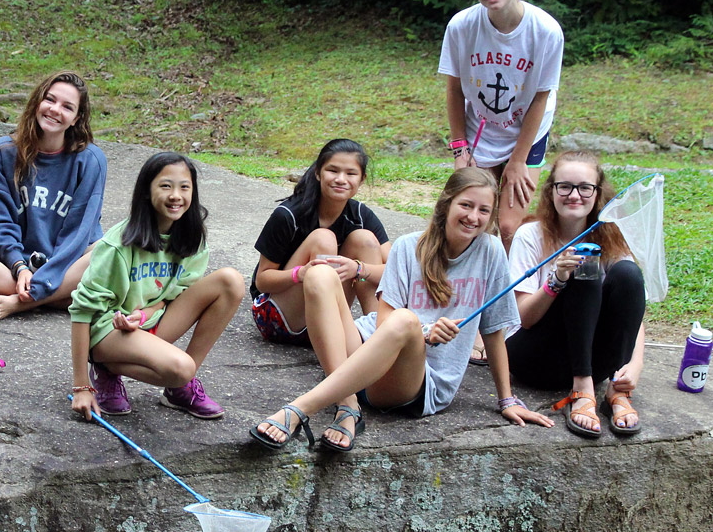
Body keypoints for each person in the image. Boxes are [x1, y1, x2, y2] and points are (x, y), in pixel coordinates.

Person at [249, 168, 553, 453]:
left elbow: (494, 330)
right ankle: (348, 406)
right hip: (369, 348)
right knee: (318, 274)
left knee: (406, 320)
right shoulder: (409, 247)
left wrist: (506, 399)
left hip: (415, 380)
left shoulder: (491, 251)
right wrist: (426, 331)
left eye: (483, 210)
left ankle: (300, 409)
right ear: (447, 203)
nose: (474, 217)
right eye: (466, 205)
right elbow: (382, 322)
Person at [70, 152, 244, 420]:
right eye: (165, 186)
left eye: (184, 187)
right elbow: (82, 312)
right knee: (181, 366)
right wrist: (82, 386)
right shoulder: (118, 245)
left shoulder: (191, 240)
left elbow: (171, 299)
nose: (176, 195)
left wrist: (142, 316)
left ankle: (180, 388)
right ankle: (104, 368)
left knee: (230, 281)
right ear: (146, 192)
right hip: (107, 330)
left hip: (147, 321)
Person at [0, 71, 107, 321]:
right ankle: (61, 298)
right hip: (13, 263)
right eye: (50, 100)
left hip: (69, 262)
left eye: (67, 107)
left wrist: (46, 277)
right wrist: (19, 267)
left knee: (113, 249)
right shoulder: (4, 151)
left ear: (76, 119)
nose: (55, 110)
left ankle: (24, 301)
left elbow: (78, 233)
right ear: (37, 102)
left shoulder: (91, 160)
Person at [506, 152, 646, 438]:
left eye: (585, 187)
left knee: (629, 275)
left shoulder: (608, 235)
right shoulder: (529, 235)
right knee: (585, 273)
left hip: (592, 356)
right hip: (537, 356)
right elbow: (522, 318)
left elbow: (632, 310)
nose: (574, 195)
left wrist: (635, 364)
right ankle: (582, 391)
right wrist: (557, 280)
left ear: (597, 193)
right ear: (551, 191)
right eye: (565, 186)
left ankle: (616, 392)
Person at [439, 0, 564, 250]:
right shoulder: (461, 26)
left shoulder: (546, 31)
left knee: (509, 227)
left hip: (526, 130)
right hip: (480, 127)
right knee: (464, 220)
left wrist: (518, 161)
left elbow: (540, 98)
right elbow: (454, 90)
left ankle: (521, 288)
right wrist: (460, 152)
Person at [250, 139, 390, 378]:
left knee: (365, 240)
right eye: (333, 170)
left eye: (351, 173)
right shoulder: (288, 215)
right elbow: (262, 281)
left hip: (332, 323)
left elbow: (396, 269)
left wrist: (360, 268)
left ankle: (378, 336)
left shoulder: (360, 214)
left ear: (361, 179)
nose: (341, 179)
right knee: (323, 239)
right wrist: (300, 274)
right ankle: (345, 351)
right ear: (318, 173)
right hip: (279, 318)